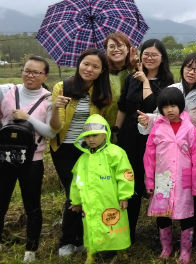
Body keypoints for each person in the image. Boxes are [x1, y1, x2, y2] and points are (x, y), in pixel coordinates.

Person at [137, 52, 196, 253]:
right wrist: (147, 119)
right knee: (178, 196)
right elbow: (161, 117)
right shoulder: (172, 90)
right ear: (182, 68)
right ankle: (184, 239)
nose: (192, 72)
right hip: (172, 156)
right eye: (188, 67)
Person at [49, 48, 112, 257]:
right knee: (73, 194)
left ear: (101, 71)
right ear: (79, 64)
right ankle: (67, 241)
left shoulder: (101, 92)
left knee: (86, 193)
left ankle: (82, 238)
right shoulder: (62, 87)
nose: (89, 69)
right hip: (63, 149)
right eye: (86, 64)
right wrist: (55, 108)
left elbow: (100, 122)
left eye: (95, 66)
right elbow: (55, 127)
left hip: (87, 150)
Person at [115, 39, 174, 243]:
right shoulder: (132, 77)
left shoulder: (168, 81)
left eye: (154, 55)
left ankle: (164, 235)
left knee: (158, 183)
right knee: (130, 181)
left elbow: (155, 106)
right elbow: (123, 105)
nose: (149, 58)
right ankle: (128, 232)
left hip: (155, 138)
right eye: (146, 53)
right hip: (130, 136)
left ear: (162, 58)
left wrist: (146, 82)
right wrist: (116, 129)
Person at [143, 87, 196, 263]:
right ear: (161, 109)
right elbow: (149, 158)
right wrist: (149, 181)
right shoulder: (157, 129)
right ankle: (167, 247)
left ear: (180, 106)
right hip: (163, 180)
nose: (169, 110)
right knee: (163, 213)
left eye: (173, 105)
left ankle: (185, 250)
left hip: (183, 180)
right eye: (165, 107)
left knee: (186, 213)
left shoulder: (189, 128)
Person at [0, 56, 55, 262]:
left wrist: (27, 117)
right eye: (26, 70)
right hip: (4, 157)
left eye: (36, 72)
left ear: (45, 76)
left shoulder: (49, 99)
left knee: (32, 205)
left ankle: (30, 249)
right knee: (1, 201)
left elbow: (50, 132)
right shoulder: (7, 91)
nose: (30, 75)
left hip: (32, 160)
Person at [69, 114, 134, 264]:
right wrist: (76, 200)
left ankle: (121, 249)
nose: (91, 139)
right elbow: (76, 181)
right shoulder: (83, 159)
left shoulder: (116, 153)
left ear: (105, 134)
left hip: (111, 200)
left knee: (116, 225)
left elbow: (125, 175)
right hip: (90, 203)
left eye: (95, 135)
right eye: (87, 136)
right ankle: (91, 252)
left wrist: (124, 196)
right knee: (91, 225)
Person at [103, 32, 138, 128]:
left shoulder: (138, 69)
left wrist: (135, 67)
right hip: (106, 124)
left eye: (119, 46)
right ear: (106, 50)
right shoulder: (102, 73)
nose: (116, 49)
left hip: (133, 124)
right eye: (111, 46)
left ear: (128, 49)